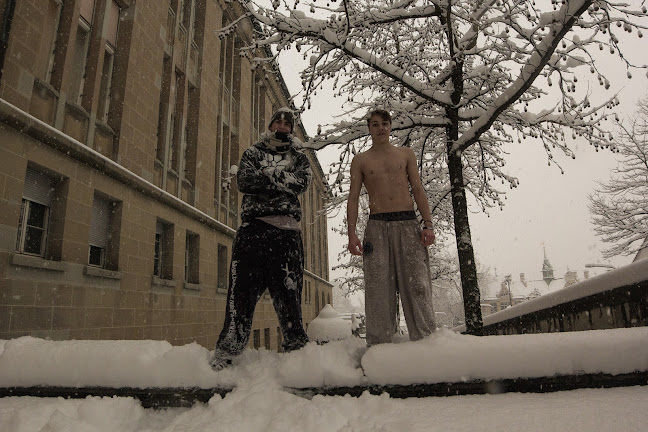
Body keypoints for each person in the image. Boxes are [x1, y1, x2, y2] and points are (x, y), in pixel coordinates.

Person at [210, 108, 311, 371]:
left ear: (292, 128)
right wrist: (281, 180)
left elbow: (302, 183)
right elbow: (244, 180)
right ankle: (228, 353)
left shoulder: (299, 157)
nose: (281, 125)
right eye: (277, 121)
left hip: (287, 237)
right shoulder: (253, 152)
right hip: (252, 234)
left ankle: (299, 359)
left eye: (286, 123)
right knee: (240, 296)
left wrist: (266, 176)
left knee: (289, 299)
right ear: (270, 124)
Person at [347, 109, 437, 346]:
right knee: (378, 287)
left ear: (390, 126)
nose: (381, 128)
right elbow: (353, 198)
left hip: (408, 223)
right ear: (369, 128)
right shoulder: (361, 160)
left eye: (385, 124)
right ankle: (379, 344)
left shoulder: (405, 154)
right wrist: (351, 233)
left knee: (417, 283)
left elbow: (417, 188)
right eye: (375, 124)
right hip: (377, 226)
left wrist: (428, 224)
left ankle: (427, 340)